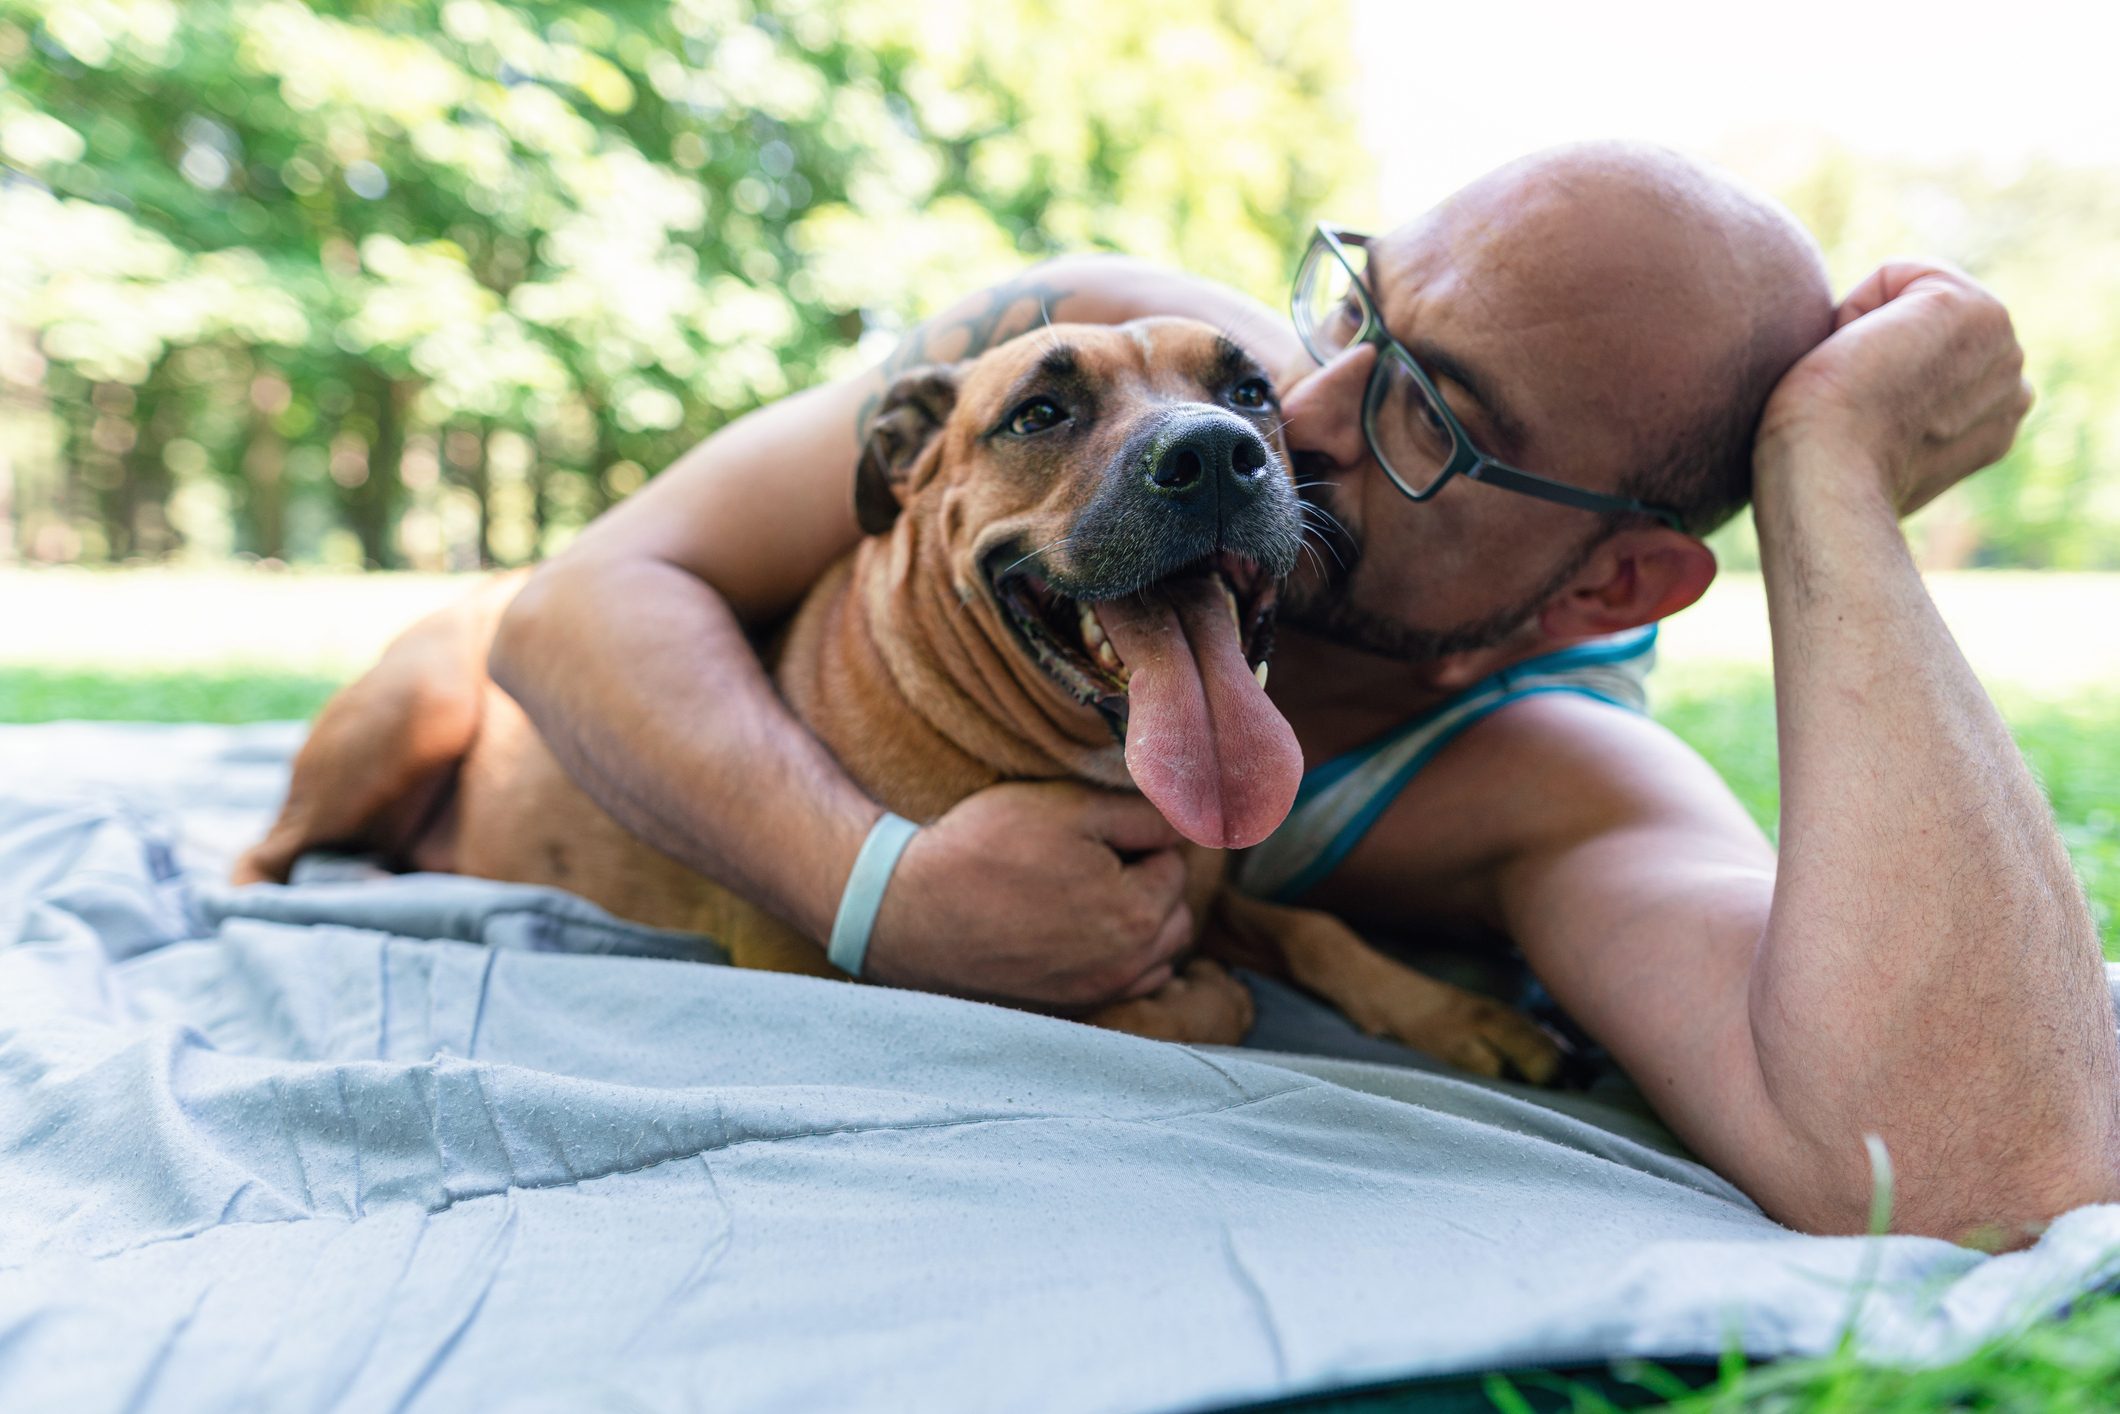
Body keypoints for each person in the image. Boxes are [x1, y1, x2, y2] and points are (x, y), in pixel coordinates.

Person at [487, 142, 2117, 1244]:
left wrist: (1827, 481)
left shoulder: (1553, 780)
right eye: (1356, 305)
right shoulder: (1120, 343)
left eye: (1434, 413)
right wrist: (877, 890)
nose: (1293, 410)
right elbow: (570, 607)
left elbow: (1983, 1167)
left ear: (1608, 587)